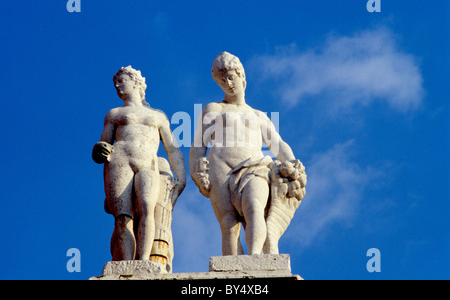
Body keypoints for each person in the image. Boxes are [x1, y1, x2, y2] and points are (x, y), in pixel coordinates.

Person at [190, 52, 299, 255]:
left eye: (231, 77)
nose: (228, 84)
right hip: (219, 166)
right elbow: (198, 146)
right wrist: (197, 174)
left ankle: (256, 257)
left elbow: (278, 144)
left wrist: (292, 162)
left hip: (254, 165)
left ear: (242, 76)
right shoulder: (213, 109)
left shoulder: (257, 115)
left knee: (254, 208)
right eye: (222, 81)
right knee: (228, 223)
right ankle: (232, 267)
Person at [92, 66, 186, 261]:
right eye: (115, 83)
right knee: (122, 215)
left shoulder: (157, 116)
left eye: (121, 80)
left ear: (135, 82)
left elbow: (173, 149)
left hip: (147, 161)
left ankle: (144, 261)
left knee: (146, 206)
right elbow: (104, 145)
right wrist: (98, 150)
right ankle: (126, 263)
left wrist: (181, 177)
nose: (118, 85)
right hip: (119, 160)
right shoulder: (114, 113)